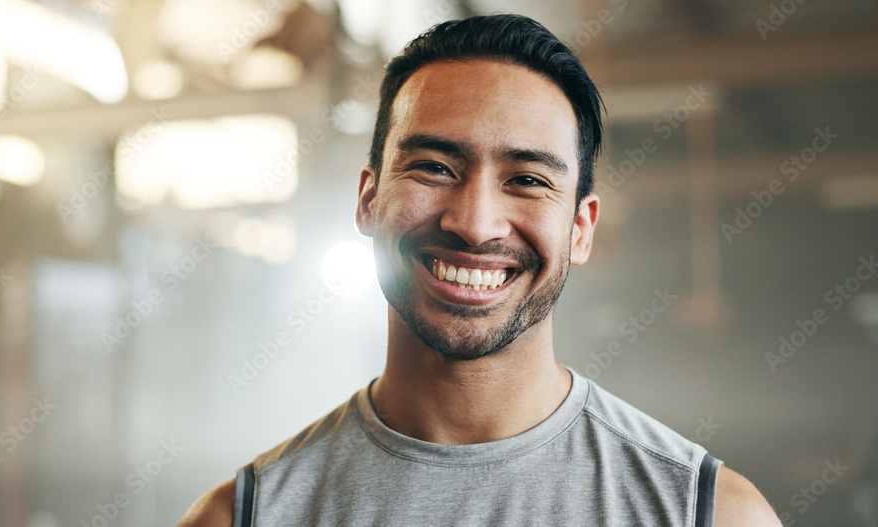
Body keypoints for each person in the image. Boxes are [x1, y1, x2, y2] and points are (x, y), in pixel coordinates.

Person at [180, 14, 781, 526]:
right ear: (367, 199)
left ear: (580, 228)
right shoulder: (242, 516)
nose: (475, 224)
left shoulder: (707, 512)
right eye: (434, 167)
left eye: (527, 180)